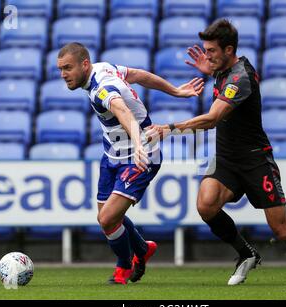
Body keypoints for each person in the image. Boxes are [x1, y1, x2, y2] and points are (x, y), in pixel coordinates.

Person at [145, 19, 286, 285]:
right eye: (205, 50)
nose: (207, 56)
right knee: (206, 205)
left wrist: (169, 128)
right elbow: (220, 82)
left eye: (212, 51)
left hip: (255, 160)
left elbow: (212, 119)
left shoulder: (241, 77)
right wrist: (210, 70)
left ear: (229, 50)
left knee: (282, 230)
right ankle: (246, 254)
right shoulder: (224, 69)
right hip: (227, 159)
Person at [56, 42, 204, 285]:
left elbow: (122, 111)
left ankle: (123, 268)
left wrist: (137, 145)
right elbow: (138, 75)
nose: (63, 75)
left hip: (141, 154)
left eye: (68, 68)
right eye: (61, 69)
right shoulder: (104, 68)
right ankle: (142, 249)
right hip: (113, 155)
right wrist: (175, 91)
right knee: (106, 217)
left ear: (84, 64)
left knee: (107, 220)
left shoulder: (101, 88)